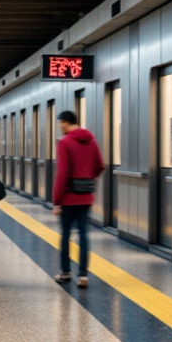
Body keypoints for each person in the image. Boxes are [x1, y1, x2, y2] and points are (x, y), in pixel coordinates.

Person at [52, 110, 104, 288]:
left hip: (68, 198)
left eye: (60, 124)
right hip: (86, 197)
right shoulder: (91, 140)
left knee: (65, 235)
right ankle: (83, 276)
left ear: (65, 123)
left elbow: (62, 173)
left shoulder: (65, 142)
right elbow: (100, 165)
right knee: (84, 235)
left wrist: (57, 200)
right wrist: (88, 180)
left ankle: (65, 273)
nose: (61, 127)